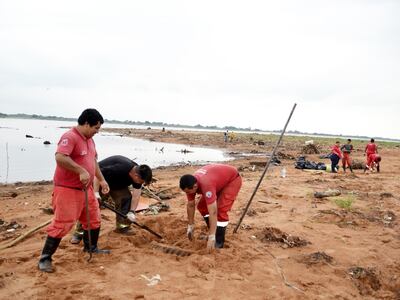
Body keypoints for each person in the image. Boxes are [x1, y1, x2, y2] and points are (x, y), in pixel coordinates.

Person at [38, 109, 110, 273]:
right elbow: (60, 157)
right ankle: (45, 259)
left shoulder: (90, 140)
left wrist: (102, 179)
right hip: (67, 189)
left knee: (94, 218)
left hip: (87, 189)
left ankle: (91, 248)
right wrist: (80, 171)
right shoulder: (69, 137)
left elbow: (93, 161)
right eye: (96, 128)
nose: (97, 132)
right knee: (62, 224)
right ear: (86, 123)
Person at [70, 155, 153, 243]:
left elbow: (136, 194)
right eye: (142, 182)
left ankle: (122, 226)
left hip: (116, 185)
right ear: (136, 176)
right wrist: (96, 193)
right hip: (99, 181)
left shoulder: (138, 175)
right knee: (91, 205)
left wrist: (132, 212)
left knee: (125, 199)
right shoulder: (120, 168)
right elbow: (97, 173)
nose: (141, 183)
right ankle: (79, 233)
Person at [179, 164, 242, 252]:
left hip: (232, 180)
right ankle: (214, 232)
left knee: (221, 211)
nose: (189, 194)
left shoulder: (206, 184)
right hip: (217, 180)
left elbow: (213, 212)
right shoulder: (190, 183)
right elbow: (190, 205)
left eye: (189, 192)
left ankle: (219, 242)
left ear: (195, 186)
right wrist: (190, 225)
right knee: (202, 206)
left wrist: (211, 236)